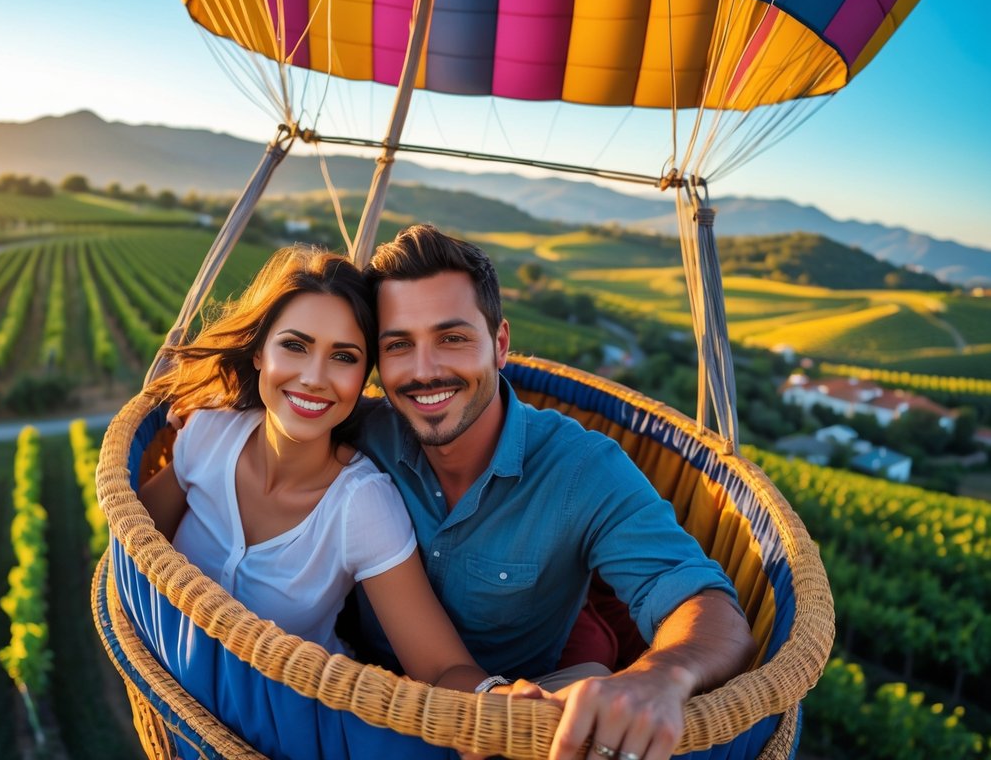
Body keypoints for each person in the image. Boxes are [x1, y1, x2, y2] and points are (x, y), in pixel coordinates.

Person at [357, 224, 758, 760]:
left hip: (516, 724)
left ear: (500, 344)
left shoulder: (582, 470)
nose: (425, 370)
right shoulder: (360, 436)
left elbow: (707, 605)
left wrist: (660, 676)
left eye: (452, 338)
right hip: (360, 697)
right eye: (399, 345)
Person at [137, 245, 494, 694]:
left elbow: (443, 669)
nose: (314, 377)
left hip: (286, 726)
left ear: (366, 375)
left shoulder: (361, 505)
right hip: (172, 686)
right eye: (295, 346)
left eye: (343, 356)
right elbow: (134, 542)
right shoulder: (209, 435)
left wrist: (497, 702)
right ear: (259, 353)